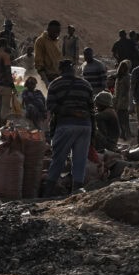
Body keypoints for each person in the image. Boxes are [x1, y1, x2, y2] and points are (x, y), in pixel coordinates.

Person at [43, 59, 95, 195]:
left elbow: (51, 107)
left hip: (66, 125)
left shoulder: (54, 84)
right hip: (85, 126)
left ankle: (48, 193)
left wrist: (70, 112)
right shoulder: (86, 84)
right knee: (80, 161)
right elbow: (91, 109)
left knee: (58, 160)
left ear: (60, 70)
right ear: (73, 70)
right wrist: (93, 131)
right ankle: (76, 193)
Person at [0, 40, 15, 127]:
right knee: (5, 106)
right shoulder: (5, 55)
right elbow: (8, 71)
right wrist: (12, 85)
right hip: (5, 85)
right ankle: (3, 125)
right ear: (6, 45)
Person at [113, 59, 132, 140]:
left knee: (123, 120)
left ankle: (126, 136)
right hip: (120, 101)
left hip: (123, 102)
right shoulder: (123, 77)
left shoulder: (124, 77)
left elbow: (127, 91)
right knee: (121, 120)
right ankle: (124, 136)